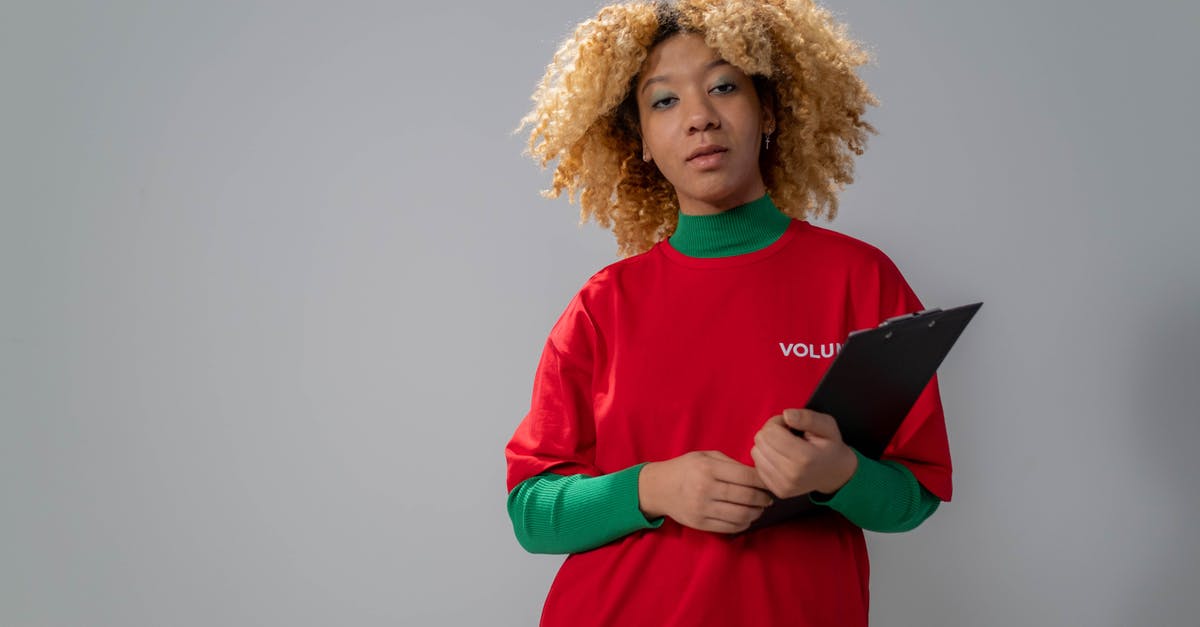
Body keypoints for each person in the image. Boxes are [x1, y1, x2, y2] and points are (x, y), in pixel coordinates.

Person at [504, 1, 952, 624]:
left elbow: (916, 494)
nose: (699, 118)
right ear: (639, 141)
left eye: (723, 86)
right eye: (664, 101)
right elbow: (531, 510)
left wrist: (839, 471)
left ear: (768, 110)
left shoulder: (860, 279)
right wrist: (653, 487)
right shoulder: (603, 306)